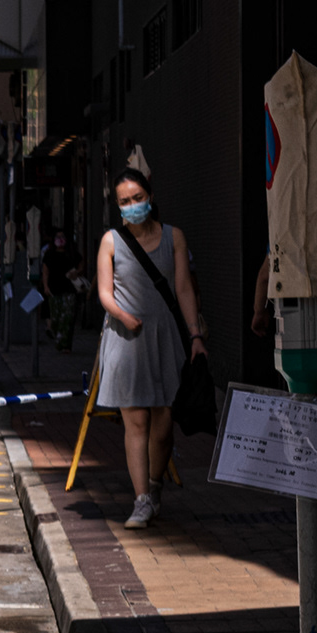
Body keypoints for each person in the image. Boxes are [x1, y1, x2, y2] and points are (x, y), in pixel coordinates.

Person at [93, 166, 209, 529]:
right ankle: (141, 499)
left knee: (163, 424)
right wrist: (123, 316)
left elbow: (184, 288)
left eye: (138, 198)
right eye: (125, 201)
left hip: (164, 338)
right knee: (136, 422)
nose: (132, 206)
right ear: (117, 206)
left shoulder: (174, 237)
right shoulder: (111, 241)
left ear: (150, 197)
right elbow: (104, 293)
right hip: (126, 341)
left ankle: (155, 486)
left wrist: (195, 335)